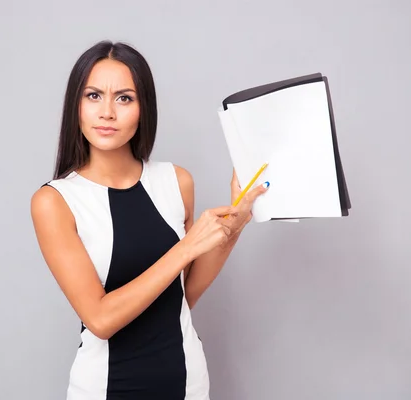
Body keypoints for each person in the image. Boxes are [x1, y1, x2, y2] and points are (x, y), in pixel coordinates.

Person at [30, 40, 269, 400]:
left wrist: (236, 223)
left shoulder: (177, 181)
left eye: (124, 98)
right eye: (94, 96)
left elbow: (182, 296)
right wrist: (187, 247)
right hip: (107, 389)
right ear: (76, 106)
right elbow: (100, 319)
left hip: (187, 382)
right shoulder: (55, 201)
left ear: (143, 109)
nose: (107, 112)